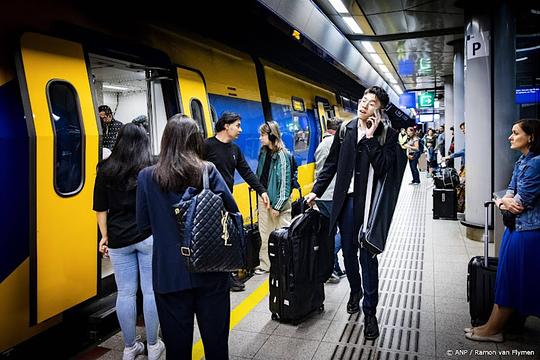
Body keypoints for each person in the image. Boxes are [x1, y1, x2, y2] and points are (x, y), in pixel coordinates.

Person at [137, 114, 236, 359]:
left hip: (169, 276)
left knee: (177, 350)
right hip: (211, 272)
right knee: (216, 347)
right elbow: (231, 213)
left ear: (166, 141)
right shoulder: (208, 171)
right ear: (195, 141)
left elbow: (143, 226)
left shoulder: (147, 177)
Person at [305, 86, 398, 340]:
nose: (364, 105)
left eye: (371, 102)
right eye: (363, 100)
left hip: (368, 205)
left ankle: (370, 313)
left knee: (368, 258)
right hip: (346, 204)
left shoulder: (387, 135)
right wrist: (316, 190)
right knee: (348, 252)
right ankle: (355, 291)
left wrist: (369, 138)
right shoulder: (346, 129)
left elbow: (384, 168)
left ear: (379, 110)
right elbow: (332, 163)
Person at [465, 118, 540, 343]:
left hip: (528, 232)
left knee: (514, 280)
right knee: (507, 279)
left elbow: (520, 202)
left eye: (515, 133)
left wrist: (503, 202)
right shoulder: (523, 161)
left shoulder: (536, 163)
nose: (510, 136)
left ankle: (493, 329)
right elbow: (508, 193)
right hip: (516, 230)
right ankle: (492, 326)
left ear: (531, 137)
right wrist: (502, 202)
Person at [93, 123, 164, 360]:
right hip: (147, 236)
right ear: (143, 141)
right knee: (151, 291)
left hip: (118, 239)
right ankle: (153, 346)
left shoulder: (105, 169)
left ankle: (129, 347)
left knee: (125, 293)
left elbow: (100, 208)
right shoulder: (151, 167)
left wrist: (104, 236)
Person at [204, 111, 270, 291]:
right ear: (226, 126)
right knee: (213, 240)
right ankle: (217, 276)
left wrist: (261, 191)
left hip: (226, 201)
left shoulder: (235, 150)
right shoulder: (207, 146)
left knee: (226, 239)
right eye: (238, 125)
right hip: (208, 203)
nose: (240, 129)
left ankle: (227, 275)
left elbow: (247, 172)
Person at [254, 121, 292, 275]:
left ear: (271, 135)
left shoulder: (282, 155)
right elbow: (260, 175)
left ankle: (285, 264)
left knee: (282, 235)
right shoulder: (263, 152)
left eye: (262, 135)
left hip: (278, 202)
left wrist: (278, 205)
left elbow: (285, 182)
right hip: (264, 199)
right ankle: (266, 265)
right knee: (265, 233)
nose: (260, 138)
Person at [314, 117, 345, 283]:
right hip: (332, 195)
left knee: (329, 232)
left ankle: (334, 269)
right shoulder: (335, 143)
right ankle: (329, 256)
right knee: (345, 232)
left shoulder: (321, 144)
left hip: (321, 195)